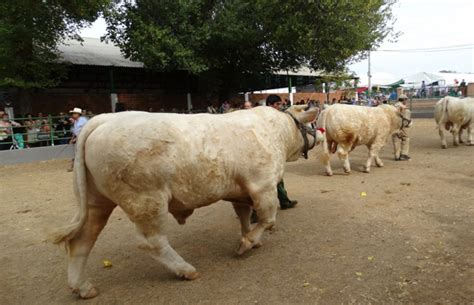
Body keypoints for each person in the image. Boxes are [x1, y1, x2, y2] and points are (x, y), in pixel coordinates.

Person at [265, 94, 298, 210]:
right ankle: (254, 212)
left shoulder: (275, 117)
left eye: (280, 104)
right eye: (277, 104)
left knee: (278, 178)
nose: (279, 106)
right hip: (264, 155)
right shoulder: (263, 118)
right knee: (259, 183)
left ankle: (284, 201)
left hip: (272, 153)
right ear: (270, 105)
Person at [392, 94, 411, 161]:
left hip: (393, 126)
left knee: (395, 139)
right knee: (406, 138)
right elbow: (405, 119)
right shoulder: (403, 107)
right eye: (406, 99)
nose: (406, 101)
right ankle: (404, 154)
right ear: (404, 100)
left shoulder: (393, 106)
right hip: (401, 126)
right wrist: (407, 125)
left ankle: (396, 155)